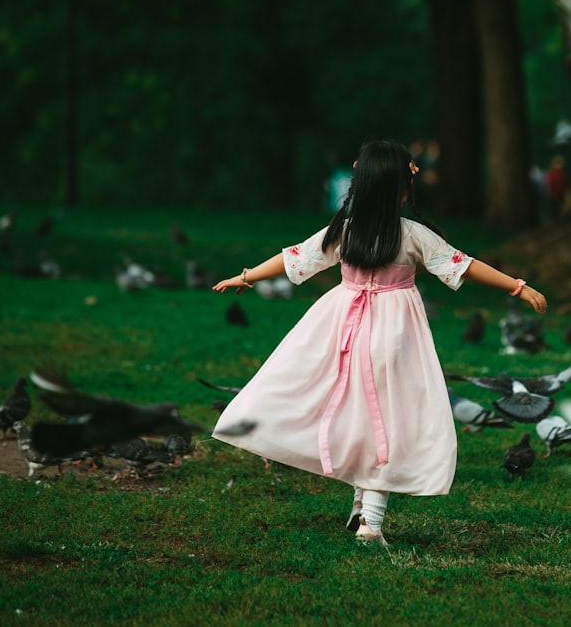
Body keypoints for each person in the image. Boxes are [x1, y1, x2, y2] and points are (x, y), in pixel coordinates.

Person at [211, 139, 547, 546]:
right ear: (405, 190)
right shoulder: (413, 235)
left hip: (341, 330)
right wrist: (517, 286)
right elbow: (465, 265)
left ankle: (361, 509)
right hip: (393, 335)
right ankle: (370, 519)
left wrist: (246, 276)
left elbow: (294, 257)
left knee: (359, 413)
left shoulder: (344, 231)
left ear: (359, 184)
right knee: (388, 418)